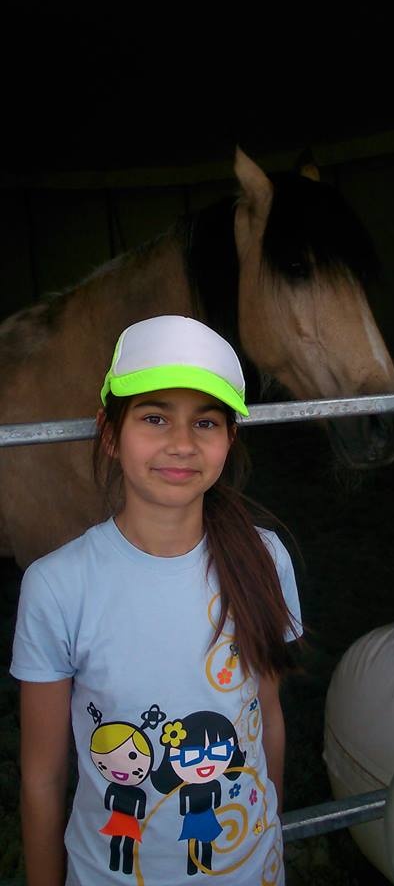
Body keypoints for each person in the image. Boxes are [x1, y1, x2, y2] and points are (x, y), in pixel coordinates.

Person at [11, 315, 303, 886]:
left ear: (230, 439)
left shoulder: (265, 558)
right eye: (154, 417)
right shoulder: (57, 586)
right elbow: (42, 779)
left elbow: (267, 718)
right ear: (110, 433)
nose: (182, 443)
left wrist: (266, 838)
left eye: (206, 421)